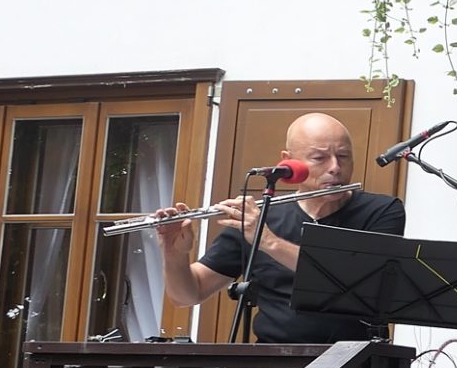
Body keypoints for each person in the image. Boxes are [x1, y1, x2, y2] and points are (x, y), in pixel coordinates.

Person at [154, 112, 405, 344]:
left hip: (355, 362)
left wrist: (268, 241)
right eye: (319, 158)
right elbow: (188, 295)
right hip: (272, 363)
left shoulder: (381, 211)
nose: (335, 168)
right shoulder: (258, 218)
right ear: (288, 162)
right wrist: (174, 253)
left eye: (343, 156)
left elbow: (361, 280)